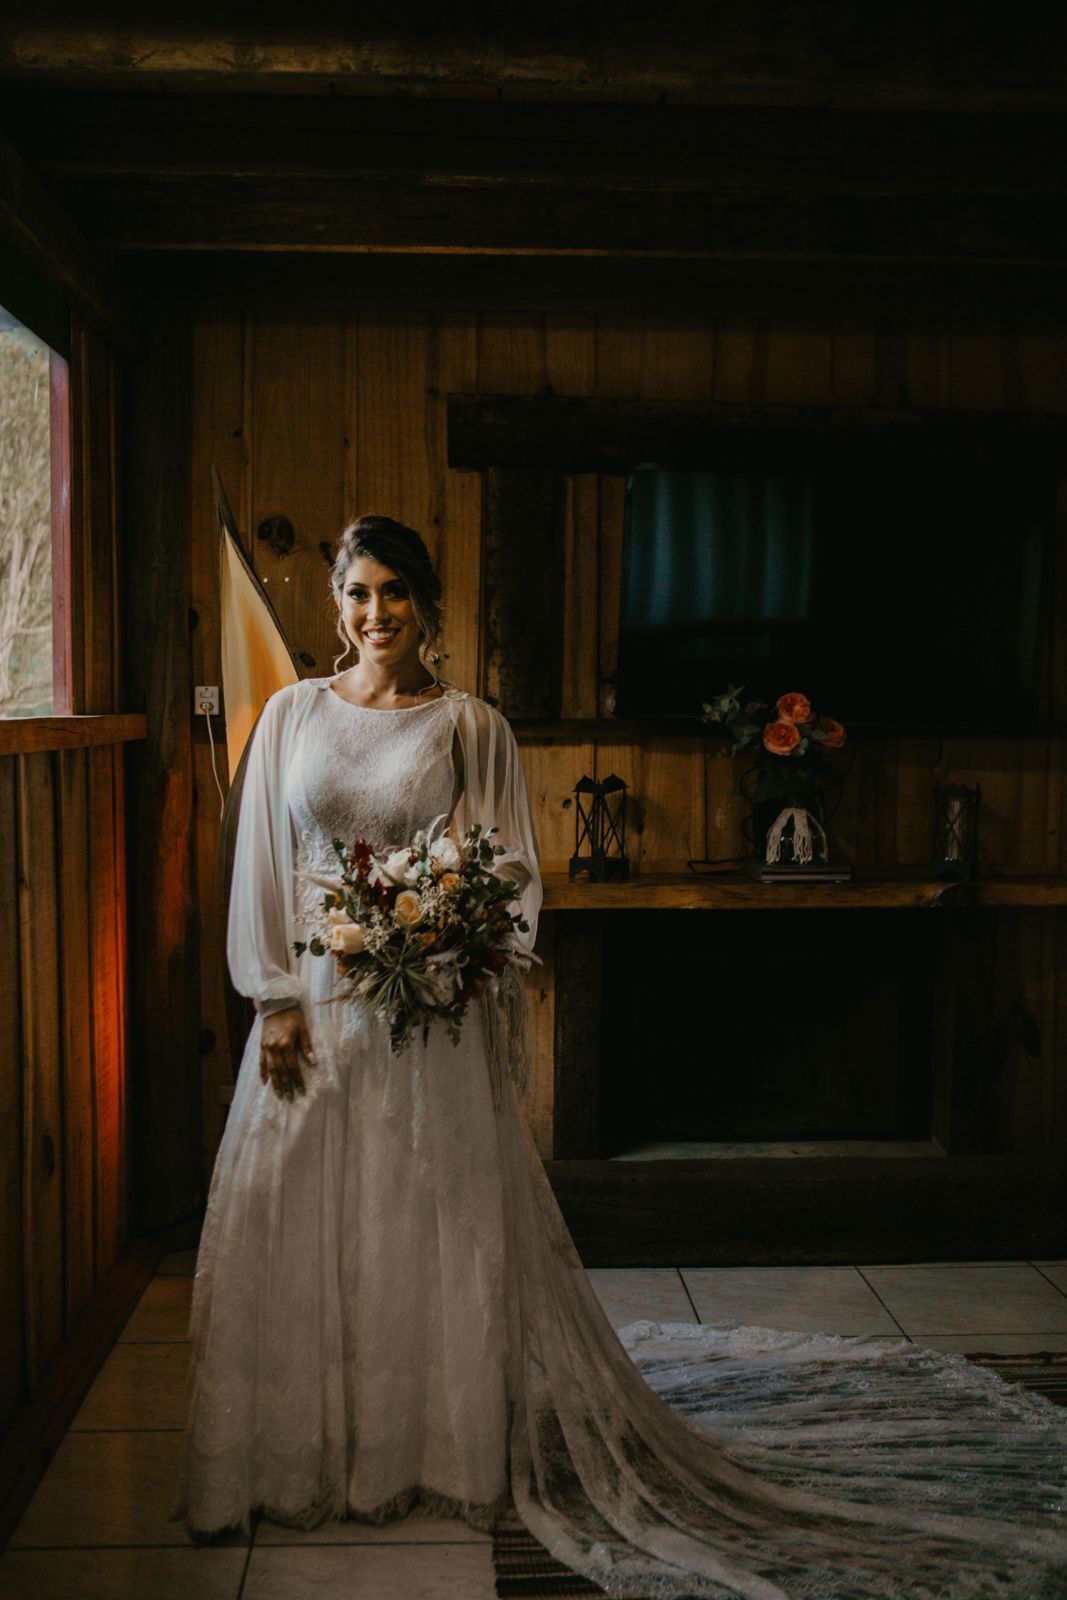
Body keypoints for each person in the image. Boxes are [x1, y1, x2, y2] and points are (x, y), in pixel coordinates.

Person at [173, 515, 1067, 1598]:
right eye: (358, 593)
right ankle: (303, 1443)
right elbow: (264, 859)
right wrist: (271, 996)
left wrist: (461, 947)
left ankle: (429, 1451)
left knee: (424, 1217)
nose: (376, 614)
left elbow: (506, 869)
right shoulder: (290, 716)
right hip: (314, 1007)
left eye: (396, 592)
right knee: (301, 1211)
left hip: (430, 1020)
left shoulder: (469, 724)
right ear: (333, 605)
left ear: (427, 602)